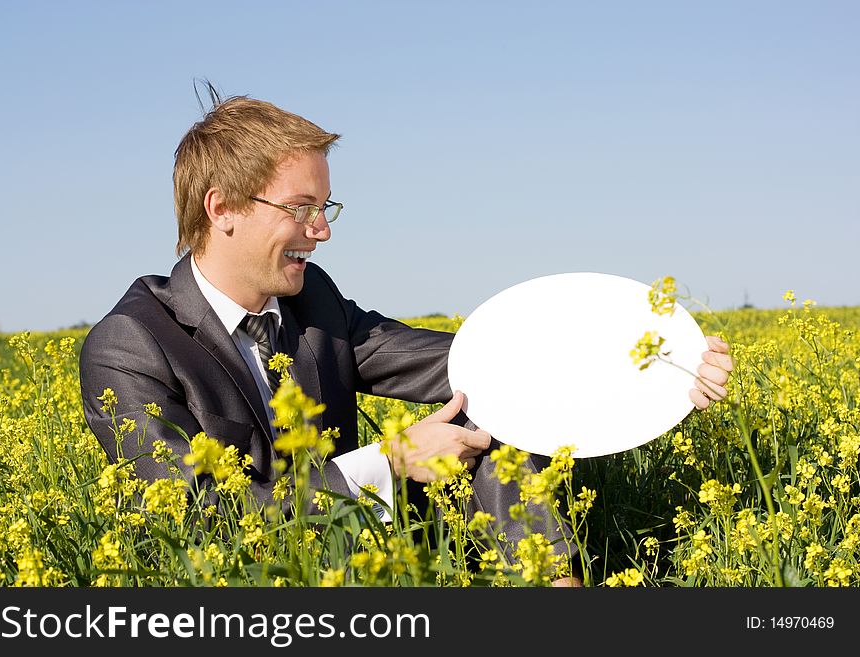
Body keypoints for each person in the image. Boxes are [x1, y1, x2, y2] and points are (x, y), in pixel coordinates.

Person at [79, 89, 733, 587]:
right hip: (252, 581)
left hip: (361, 552)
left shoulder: (313, 301)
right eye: (301, 209)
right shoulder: (131, 344)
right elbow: (198, 518)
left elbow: (472, 363)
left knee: (488, 415)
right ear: (221, 208)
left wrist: (663, 365)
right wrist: (388, 459)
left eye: (325, 208)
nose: (322, 231)